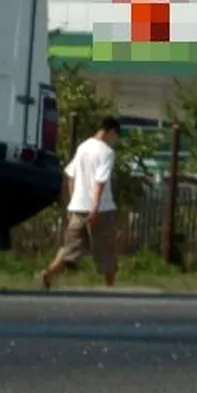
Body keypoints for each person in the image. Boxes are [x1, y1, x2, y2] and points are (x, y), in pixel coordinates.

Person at [39, 116, 122, 289]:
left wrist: (72, 201)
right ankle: (111, 288)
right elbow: (100, 180)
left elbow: (70, 176)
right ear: (111, 132)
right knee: (106, 250)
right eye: (116, 136)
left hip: (78, 207)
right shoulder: (106, 152)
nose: (115, 141)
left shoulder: (83, 147)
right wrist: (95, 206)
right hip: (101, 209)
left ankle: (48, 273)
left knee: (70, 248)